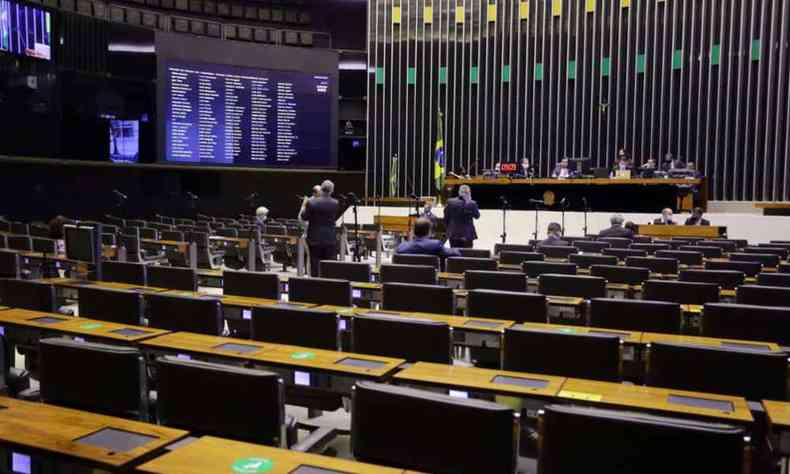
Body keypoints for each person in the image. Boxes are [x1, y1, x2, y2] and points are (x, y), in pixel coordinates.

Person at [299, 180, 340, 277]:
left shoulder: (311, 202)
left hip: (314, 238)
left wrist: (305, 205)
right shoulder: (336, 203)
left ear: (321, 189)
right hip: (330, 238)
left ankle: (316, 286)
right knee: (329, 266)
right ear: (332, 191)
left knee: (315, 265)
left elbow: (304, 217)